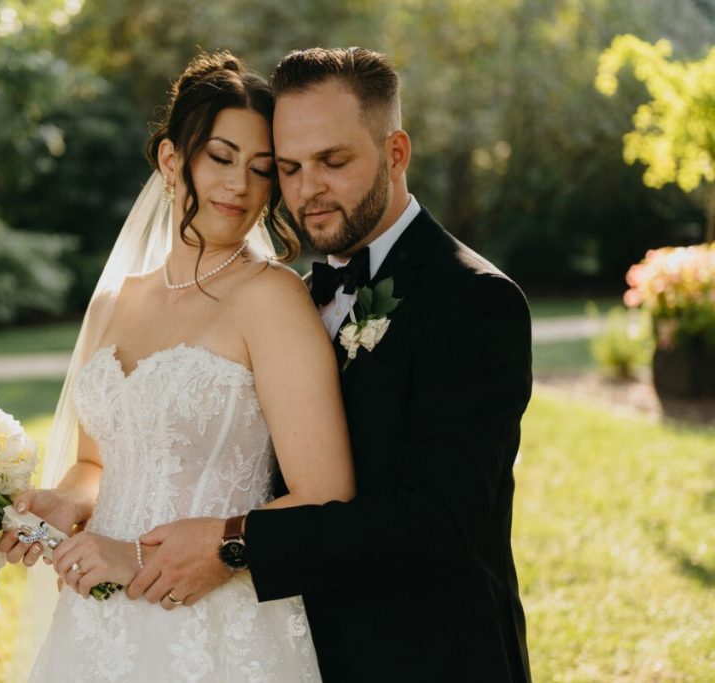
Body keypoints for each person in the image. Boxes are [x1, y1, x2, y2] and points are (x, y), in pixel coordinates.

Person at [126, 47, 534, 682]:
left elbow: (437, 521)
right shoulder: (292, 295)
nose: (306, 189)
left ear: (396, 153)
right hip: (292, 649)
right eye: (287, 168)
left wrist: (236, 543)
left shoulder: (475, 301)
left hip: (427, 656)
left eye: (333, 161)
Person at [0, 51, 355, 682]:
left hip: (218, 625)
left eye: (261, 169)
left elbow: (325, 494)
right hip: (99, 621)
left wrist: (144, 552)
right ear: (171, 160)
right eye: (220, 158)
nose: (239, 185)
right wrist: (63, 502)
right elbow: (96, 463)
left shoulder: (272, 299)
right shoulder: (115, 302)